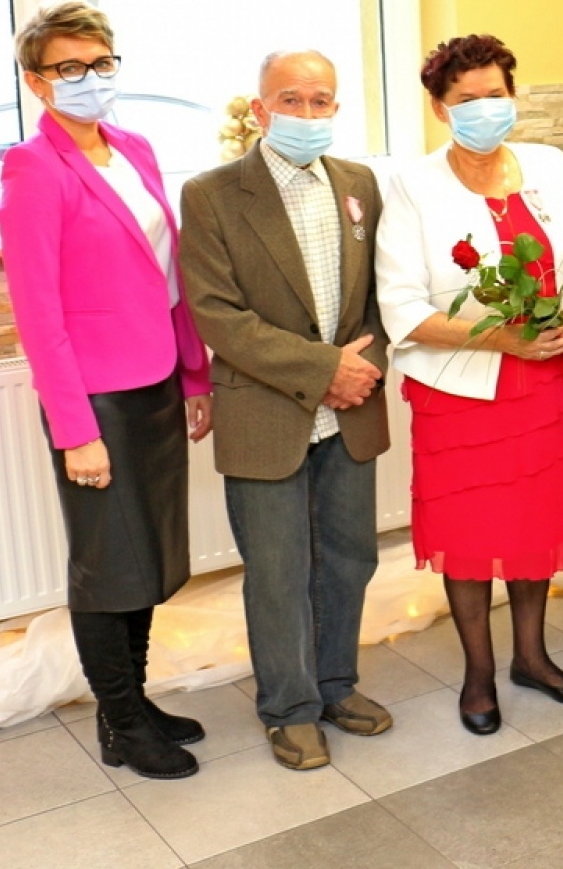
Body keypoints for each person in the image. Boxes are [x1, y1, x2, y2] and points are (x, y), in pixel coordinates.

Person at [0, 1, 213, 780]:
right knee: (105, 565)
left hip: (155, 382)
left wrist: (195, 374)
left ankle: (139, 698)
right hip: (95, 401)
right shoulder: (32, 168)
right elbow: (38, 310)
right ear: (37, 81)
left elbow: (169, 275)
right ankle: (118, 723)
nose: (90, 79)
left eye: (101, 62)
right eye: (69, 68)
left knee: (148, 558)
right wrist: (74, 429)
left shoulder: (137, 147)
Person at [179, 50, 393, 770]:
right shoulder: (211, 194)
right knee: (278, 570)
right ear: (261, 108)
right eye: (291, 100)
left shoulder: (360, 184)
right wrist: (324, 370)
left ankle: (336, 684)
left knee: (349, 560)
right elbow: (218, 316)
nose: (307, 114)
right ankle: (290, 708)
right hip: (266, 412)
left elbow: (379, 300)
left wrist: (360, 373)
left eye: (321, 100)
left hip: (350, 409)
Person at [375, 34, 563, 734]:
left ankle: (532, 656)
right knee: (467, 534)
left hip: (546, 389)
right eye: (465, 100)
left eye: (494, 95)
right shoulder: (413, 185)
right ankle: (478, 674)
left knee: (537, 526)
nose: (483, 110)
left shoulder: (550, 167)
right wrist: (504, 338)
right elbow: (402, 309)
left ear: (513, 95)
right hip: (459, 391)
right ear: (440, 108)